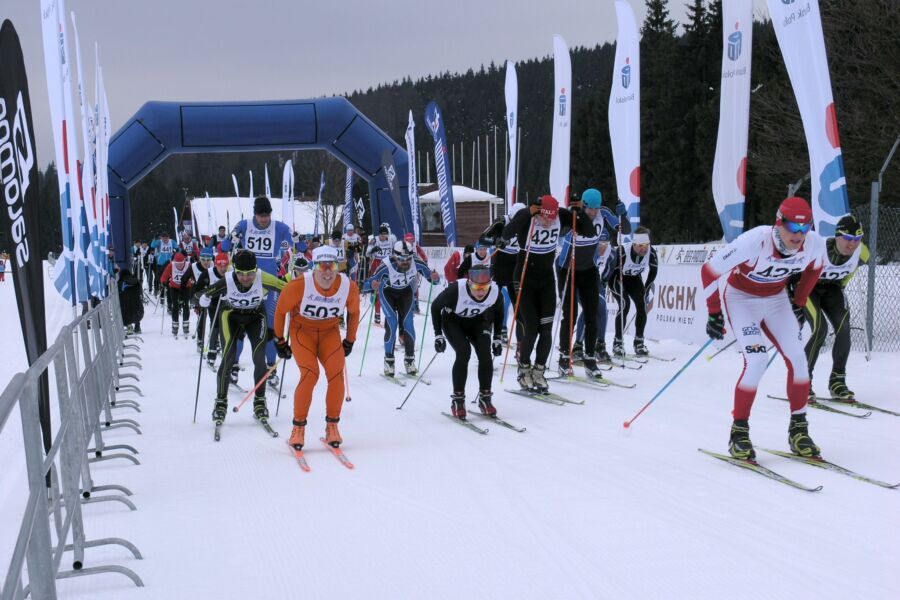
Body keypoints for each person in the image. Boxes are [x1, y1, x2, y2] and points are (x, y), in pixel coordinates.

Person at [701, 196, 826, 460]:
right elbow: (709, 271)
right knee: (756, 361)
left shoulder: (813, 244)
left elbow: (816, 268)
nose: (799, 235)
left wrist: (799, 300)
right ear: (779, 223)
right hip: (742, 300)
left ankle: (799, 430)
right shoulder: (755, 241)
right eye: (793, 228)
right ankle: (739, 433)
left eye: (805, 229)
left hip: (776, 300)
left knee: (799, 360)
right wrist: (714, 314)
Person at [500, 194, 592, 392]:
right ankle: (524, 369)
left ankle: (539, 371)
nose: (548, 221)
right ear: (538, 211)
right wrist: (527, 213)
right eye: (544, 217)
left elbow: (588, 230)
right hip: (524, 278)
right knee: (532, 327)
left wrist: (579, 211)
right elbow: (507, 234)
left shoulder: (561, 216)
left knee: (547, 329)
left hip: (546, 280)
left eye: (552, 217)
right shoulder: (529, 217)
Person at [274, 246, 361, 449]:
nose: (328, 272)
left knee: (336, 374)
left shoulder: (348, 286)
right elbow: (280, 312)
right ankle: (298, 428)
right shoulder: (298, 285)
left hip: (329, 333)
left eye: (333, 266)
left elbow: (354, 312)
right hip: (302, 332)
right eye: (323, 266)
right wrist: (279, 340)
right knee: (310, 374)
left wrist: (350, 339)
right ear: (314, 268)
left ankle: (332, 426)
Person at [194, 250, 287, 426]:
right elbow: (200, 294)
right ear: (234, 270)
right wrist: (203, 298)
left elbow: (288, 288)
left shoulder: (263, 277)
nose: (245, 278)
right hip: (231, 317)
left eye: (250, 273)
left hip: (255, 317)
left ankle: (260, 402)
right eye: (241, 274)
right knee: (228, 357)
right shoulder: (228, 280)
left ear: (256, 270)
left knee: (259, 358)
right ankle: (221, 402)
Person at [556, 188, 630, 378]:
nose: (594, 212)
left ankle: (589, 358)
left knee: (593, 313)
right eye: (591, 209)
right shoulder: (574, 212)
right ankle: (564, 356)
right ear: (583, 204)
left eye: (596, 209)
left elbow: (626, 230)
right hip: (567, 269)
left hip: (589, 270)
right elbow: (561, 230)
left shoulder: (603, 213)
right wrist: (572, 218)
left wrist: (624, 215)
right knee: (570, 314)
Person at [221, 196, 294, 388]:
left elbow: (298, 245)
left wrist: (298, 242)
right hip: (246, 282)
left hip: (269, 283)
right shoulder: (244, 225)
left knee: (271, 327)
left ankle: (270, 368)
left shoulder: (279, 227)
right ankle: (234, 366)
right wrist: (232, 237)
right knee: (240, 326)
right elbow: (224, 247)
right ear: (255, 214)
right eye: (261, 216)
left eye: (267, 215)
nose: (264, 220)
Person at [801, 215, 869, 401]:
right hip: (808, 288)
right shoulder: (818, 248)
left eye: (857, 240)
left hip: (832, 287)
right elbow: (794, 270)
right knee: (819, 330)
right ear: (837, 235)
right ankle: (802, 382)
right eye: (848, 239)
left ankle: (837, 381)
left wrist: (838, 288)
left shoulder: (862, 253)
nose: (852, 245)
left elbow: (849, 274)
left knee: (843, 327)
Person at [431, 264, 505, 419]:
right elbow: (435, 306)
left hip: (477, 321)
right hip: (452, 321)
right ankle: (458, 400)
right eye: (477, 287)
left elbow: (499, 313)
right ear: (469, 282)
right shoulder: (456, 289)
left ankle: (485, 398)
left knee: (485, 354)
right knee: (464, 352)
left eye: (484, 288)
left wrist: (497, 337)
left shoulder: (495, 292)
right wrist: (438, 335)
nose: (480, 292)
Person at [366, 240, 440, 377]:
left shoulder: (416, 261)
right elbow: (367, 284)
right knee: (392, 324)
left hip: (405, 292)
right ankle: (389, 361)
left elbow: (432, 277)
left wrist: (435, 278)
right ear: (394, 257)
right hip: (388, 293)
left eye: (408, 259)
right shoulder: (385, 266)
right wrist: (373, 285)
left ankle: (410, 360)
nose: (405, 262)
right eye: (401, 259)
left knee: (408, 324)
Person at [610, 226, 658, 357]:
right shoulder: (623, 251)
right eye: (641, 245)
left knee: (642, 305)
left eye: (646, 245)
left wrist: (647, 288)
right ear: (634, 244)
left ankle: (639, 342)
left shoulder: (651, 253)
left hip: (634, 279)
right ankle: (618, 343)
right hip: (617, 278)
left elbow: (653, 272)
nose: (644, 249)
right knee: (625, 304)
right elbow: (610, 269)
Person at [482, 203, 526, 343]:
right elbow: (483, 239)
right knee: (491, 306)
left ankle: (521, 348)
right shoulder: (502, 221)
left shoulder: (528, 222)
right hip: (498, 268)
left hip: (516, 268)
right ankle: (486, 344)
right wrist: (496, 241)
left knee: (520, 309)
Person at [574, 227, 617, 363]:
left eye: (606, 245)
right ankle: (578, 347)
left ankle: (600, 345)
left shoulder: (611, 253)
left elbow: (608, 271)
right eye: (600, 245)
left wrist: (603, 283)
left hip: (595, 280)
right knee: (589, 308)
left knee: (602, 308)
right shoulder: (588, 250)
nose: (603, 248)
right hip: (579, 279)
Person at [193, 250, 229, 366]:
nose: (223, 269)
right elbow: (197, 290)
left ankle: (227, 353)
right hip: (213, 301)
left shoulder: (231, 273)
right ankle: (211, 353)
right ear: (216, 264)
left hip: (227, 301)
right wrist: (201, 300)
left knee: (227, 327)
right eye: (220, 266)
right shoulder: (208, 273)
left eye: (225, 266)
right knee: (216, 325)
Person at [364, 224, 397, 325]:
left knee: (389, 289)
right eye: (382, 236)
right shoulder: (374, 240)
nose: (384, 238)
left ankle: (389, 315)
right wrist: (373, 250)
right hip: (377, 263)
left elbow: (395, 251)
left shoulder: (392, 239)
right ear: (379, 235)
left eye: (385, 235)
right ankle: (377, 314)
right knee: (377, 290)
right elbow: (367, 253)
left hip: (388, 264)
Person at [159, 252, 196, 337]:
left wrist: (194, 281)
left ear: (184, 261)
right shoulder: (171, 265)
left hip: (186, 287)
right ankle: (175, 325)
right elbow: (164, 276)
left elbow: (194, 275)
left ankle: (185, 324)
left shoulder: (188, 265)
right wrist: (164, 282)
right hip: (174, 287)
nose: (179, 265)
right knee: (175, 305)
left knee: (185, 304)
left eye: (181, 263)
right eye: (177, 263)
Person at [150, 233, 176, 299]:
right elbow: (152, 245)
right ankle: (158, 290)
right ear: (162, 238)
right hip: (160, 263)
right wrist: (155, 238)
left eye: (166, 238)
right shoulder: (159, 242)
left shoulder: (172, 241)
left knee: (169, 277)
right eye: (164, 238)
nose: (165, 240)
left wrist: (177, 251)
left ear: (168, 237)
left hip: (169, 263)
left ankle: (166, 291)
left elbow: (177, 246)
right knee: (159, 277)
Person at [117, 268, 144, 334]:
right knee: (136, 303)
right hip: (139, 312)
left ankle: (129, 328)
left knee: (124, 307)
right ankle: (137, 327)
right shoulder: (136, 282)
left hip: (126, 313)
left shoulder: (120, 283)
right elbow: (141, 295)